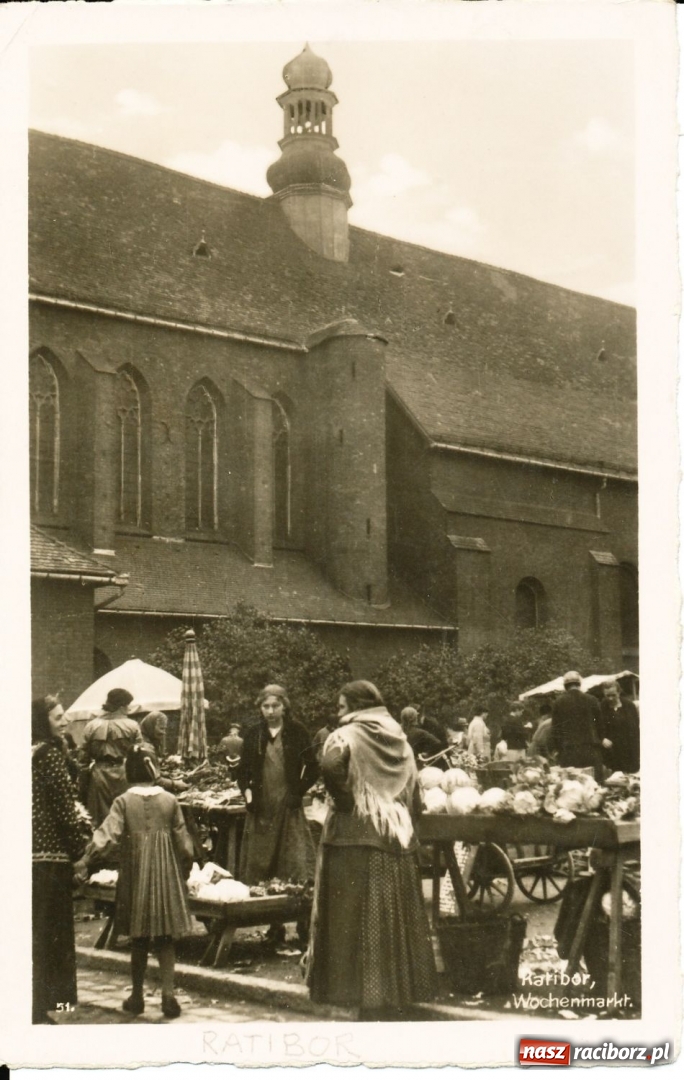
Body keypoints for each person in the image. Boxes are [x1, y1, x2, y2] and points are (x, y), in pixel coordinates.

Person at [306, 680, 437, 1019]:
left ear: (355, 707)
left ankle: (359, 994)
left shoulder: (346, 735)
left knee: (356, 916)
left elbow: (330, 765)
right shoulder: (398, 737)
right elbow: (413, 787)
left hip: (354, 836)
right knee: (390, 915)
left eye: (341, 706)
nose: (338, 713)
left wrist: (346, 801)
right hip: (395, 833)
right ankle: (396, 993)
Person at [74, 745, 194, 1019]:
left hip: (136, 874)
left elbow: (108, 834)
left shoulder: (123, 802)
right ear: (154, 770)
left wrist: (86, 860)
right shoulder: (170, 800)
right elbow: (183, 843)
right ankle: (168, 996)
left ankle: (137, 996)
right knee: (165, 936)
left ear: (129, 771)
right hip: (166, 874)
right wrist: (185, 869)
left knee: (138, 936)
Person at [236, 685, 318, 944]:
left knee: (294, 861)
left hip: (288, 805)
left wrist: (298, 791)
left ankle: (303, 922)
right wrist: (249, 796)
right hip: (262, 808)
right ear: (260, 708)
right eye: (266, 706)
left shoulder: (297, 732)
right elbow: (243, 772)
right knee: (264, 863)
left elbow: (312, 767)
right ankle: (275, 924)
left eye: (275, 706)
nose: (270, 711)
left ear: (284, 707)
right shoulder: (254, 734)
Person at [32, 696, 90, 1024]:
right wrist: (80, 853)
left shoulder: (27, 752)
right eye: (57, 717)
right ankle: (54, 1005)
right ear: (44, 722)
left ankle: (32, 1006)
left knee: (33, 933)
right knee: (53, 935)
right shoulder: (50, 756)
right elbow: (65, 810)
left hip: (28, 857)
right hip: (51, 858)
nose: (65, 721)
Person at [80, 689, 142, 827]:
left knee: (100, 820)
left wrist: (84, 784)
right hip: (124, 773)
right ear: (121, 706)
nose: (128, 709)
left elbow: (82, 759)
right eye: (127, 705)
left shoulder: (91, 726)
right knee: (125, 817)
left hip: (99, 775)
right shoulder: (132, 726)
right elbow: (139, 755)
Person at [550, 671, 603, 773]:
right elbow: (600, 725)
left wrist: (557, 749)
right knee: (594, 780)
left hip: (569, 751)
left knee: (572, 781)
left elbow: (555, 730)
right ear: (579, 684)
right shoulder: (592, 700)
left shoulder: (558, 702)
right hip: (590, 748)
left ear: (565, 686)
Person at [600, 682, 640, 774]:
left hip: (629, 750)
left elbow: (636, 729)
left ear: (619, 692)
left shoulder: (629, 706)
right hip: (611, 752)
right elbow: (596, 727)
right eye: (607, 695)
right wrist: (602, 739)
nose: (610, 698)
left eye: (613, 695)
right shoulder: (601, 707)